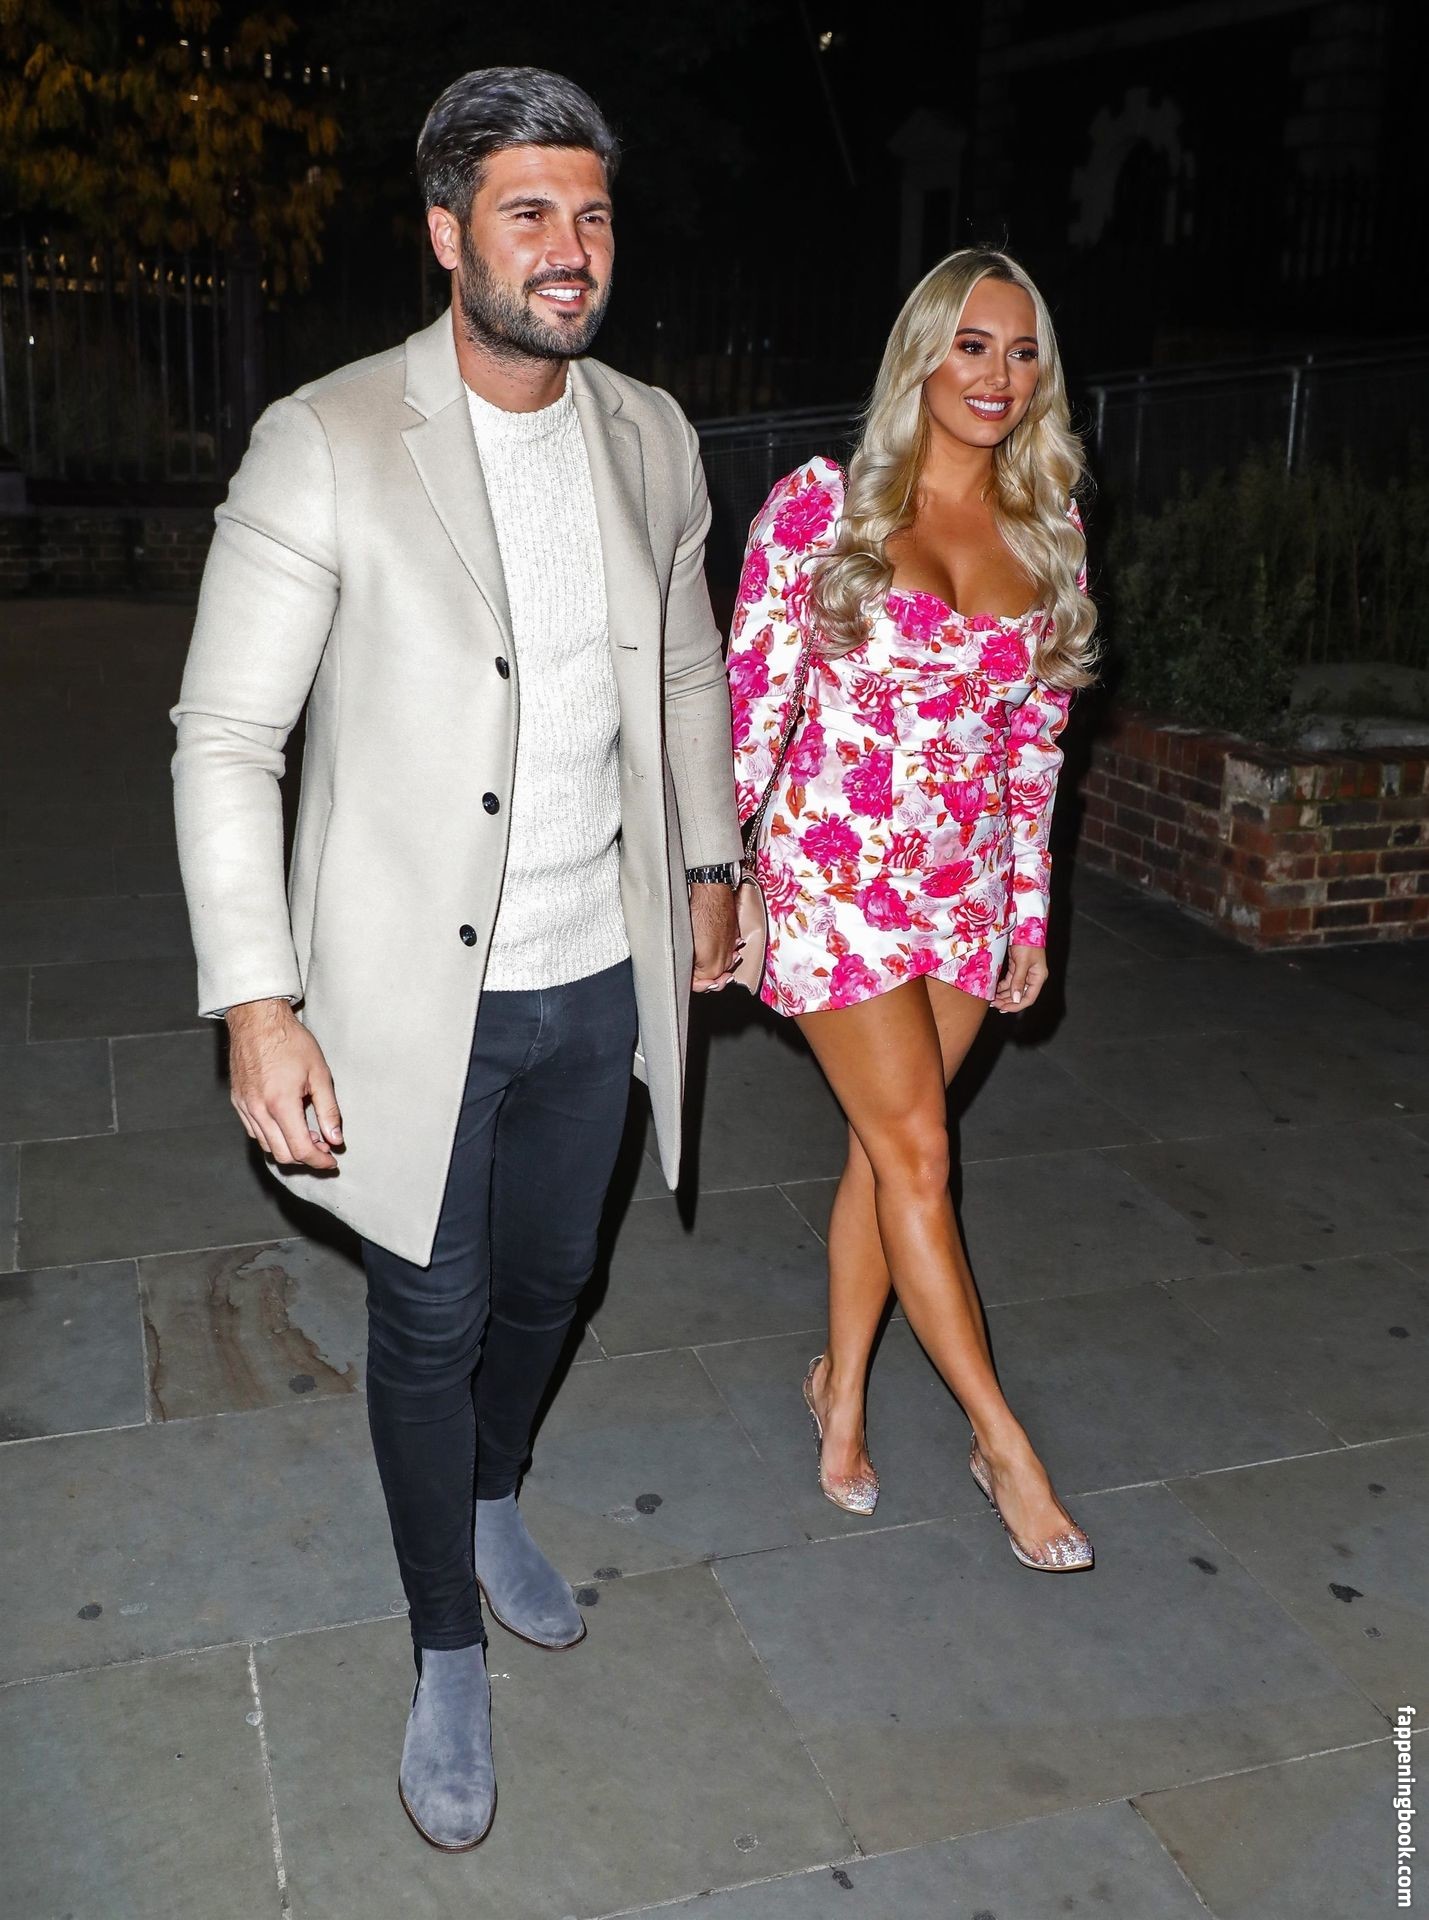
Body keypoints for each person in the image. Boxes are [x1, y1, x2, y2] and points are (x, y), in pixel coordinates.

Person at [172, 66, 743, 1851]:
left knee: (555, 1279)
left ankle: (495, 1493)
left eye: (591, 215)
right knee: (429, 1312)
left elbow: (685, 665)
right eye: (527, 213)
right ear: (446, 234)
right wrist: (258, 1001)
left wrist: (709, 863)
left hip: (599, 970)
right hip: (407, 996)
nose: (570, 249)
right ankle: (442, 1641)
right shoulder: (329, 439)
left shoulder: (650, 434)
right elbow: (225, 738)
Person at [727, 247, 1096, 1571]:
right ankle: (1005, 1446)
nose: (997, 374)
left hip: (963, 892)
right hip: (834, 879)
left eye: (1021, 351)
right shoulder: (821, 508)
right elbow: (751, 703)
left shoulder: (1048, 530)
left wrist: (1028, 914)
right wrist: (720, 879)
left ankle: (841, 1392)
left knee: (886, 1156)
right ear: (922, 355)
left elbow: (1037, 749)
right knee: (923, 1158)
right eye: (971, 345)